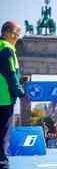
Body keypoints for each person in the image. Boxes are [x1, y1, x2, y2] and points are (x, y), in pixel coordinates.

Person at [0, 21, 26, 169]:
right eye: (17, 34)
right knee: (3, 134)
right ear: (9, 34)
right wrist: (21, 93)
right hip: (4, 98)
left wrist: (19, 79)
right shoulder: (7, 49)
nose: (18, 37)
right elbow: (10, 74)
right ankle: (2, 163)